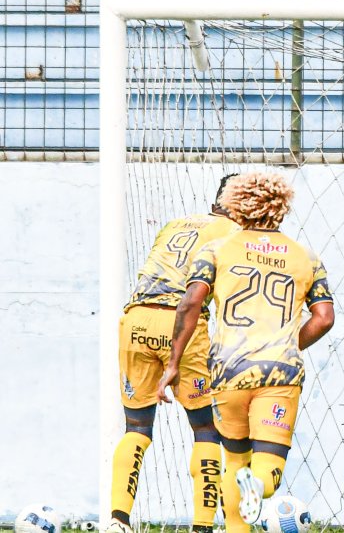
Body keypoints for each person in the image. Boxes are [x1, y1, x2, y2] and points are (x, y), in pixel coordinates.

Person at [156, 172, 335, 533]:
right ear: (281, 207)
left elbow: (190, 302)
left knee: (235, 461)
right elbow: (325, 318)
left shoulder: (216, 249)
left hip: (227, 373)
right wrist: (288, 344)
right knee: (267, 468)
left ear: (236, 206)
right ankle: (259, 484)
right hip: (279, 375)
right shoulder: (306, 257)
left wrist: (173, 363)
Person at [108, 174, 241, 533]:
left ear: (215, 203)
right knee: (206, 430)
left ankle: (118, 519)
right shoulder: (235, 236)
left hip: (136, 319)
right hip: (180, 323)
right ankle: (202, 525)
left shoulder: (173, 224)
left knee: (136, 426)